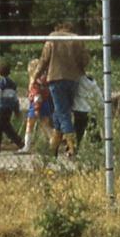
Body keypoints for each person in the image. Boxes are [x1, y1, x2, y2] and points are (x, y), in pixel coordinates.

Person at [38, 21, 88, 158]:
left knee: (63, 113)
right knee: (59, 113)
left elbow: (44, 59)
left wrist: (35, 76)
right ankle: (52, 148)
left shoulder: (53, 37)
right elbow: (85, 60)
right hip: (73, 79)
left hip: (56, 78)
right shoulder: (77, 39)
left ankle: (72, 147)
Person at [0, 61, 25, 152]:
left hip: (1, 107)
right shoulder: (13, 84)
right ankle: (18, 142)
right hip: (9, 108)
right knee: (5, 126)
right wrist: (16, 109)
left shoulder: (0, 83)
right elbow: (15, 98)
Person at [16, 58, 51, 155]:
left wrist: (36, 108)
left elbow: (36, 95)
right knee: (45, 124)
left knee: (29, 124)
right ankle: (53, 141)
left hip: (36, 104)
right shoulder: (44, 80)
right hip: (46, 102)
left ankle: (26, 146)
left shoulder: (35, 83)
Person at [73, 72, 103, 146]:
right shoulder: (94, 86)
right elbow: (100, 99)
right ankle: (97, 147)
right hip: (90, 111)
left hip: (78, 110)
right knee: (93, 130)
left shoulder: (77, 82)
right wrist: (101, 106)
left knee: (78, 132)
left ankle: (74, 148)